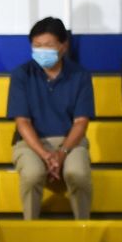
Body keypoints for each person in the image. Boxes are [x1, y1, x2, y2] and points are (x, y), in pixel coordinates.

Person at [7, 16, 95, 220]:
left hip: (71, 142)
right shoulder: (22, 74)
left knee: (78, 175)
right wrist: (46, 155)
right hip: (30, 144)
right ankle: (31, 228)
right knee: (32, 175)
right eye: (36, 46)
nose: (41, 51)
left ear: (64, 46)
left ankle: (83, 227)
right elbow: (22, 122)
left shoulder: (80, 75)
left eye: (47, 45)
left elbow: (81, 122)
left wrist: (61, 153)